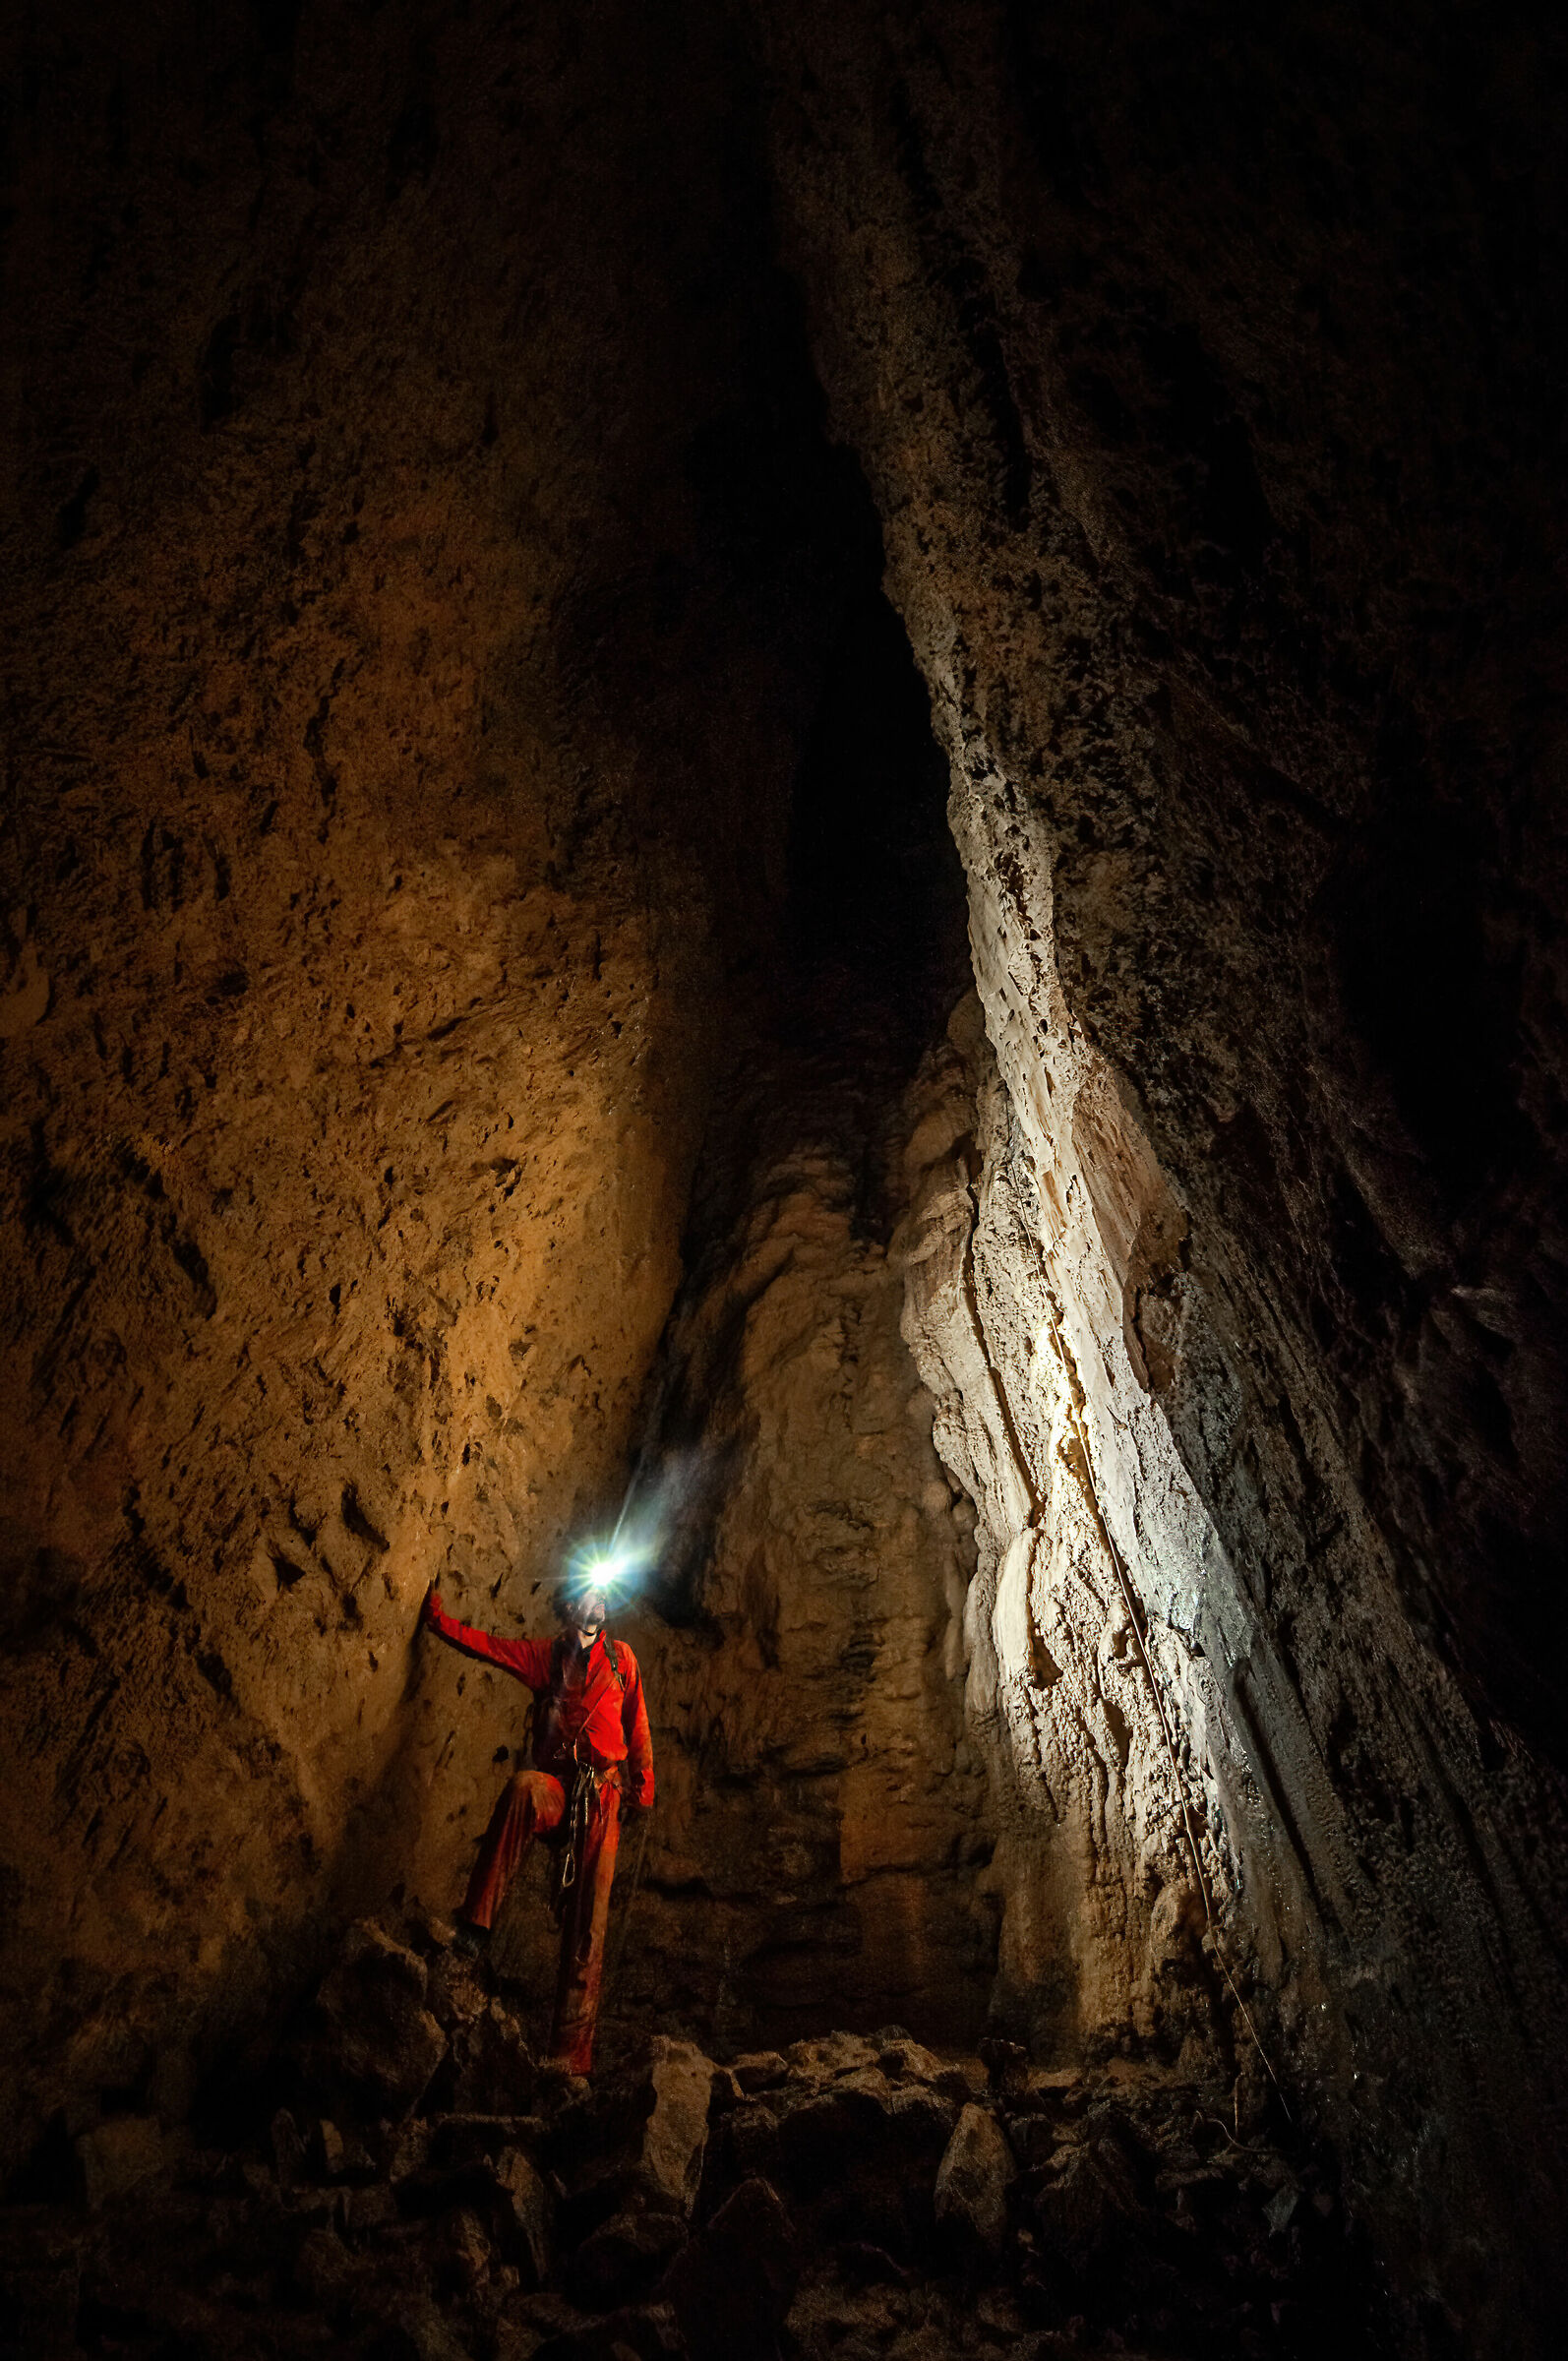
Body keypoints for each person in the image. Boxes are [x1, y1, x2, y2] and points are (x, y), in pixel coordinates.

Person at [421, 1576, 654, 2076]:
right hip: (560, 1786)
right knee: (524, 1788)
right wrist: (436, 1618)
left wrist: (644, 1787)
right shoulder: (548, 1657)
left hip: (603, 1798)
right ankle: (474, 1929)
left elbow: (638, 1726)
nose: (602, 1600)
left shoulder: (622, 1660)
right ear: (571, 1605)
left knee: (587, 1928)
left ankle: (571, 2061)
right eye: (592, 1592)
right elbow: (489, 1647)